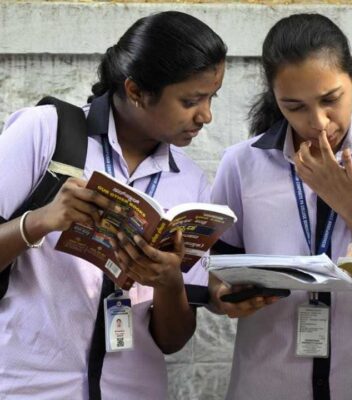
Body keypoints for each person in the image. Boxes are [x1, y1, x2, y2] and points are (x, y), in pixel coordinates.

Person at [209, 13, 352, 400]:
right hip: (267, 386)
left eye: (331, 100)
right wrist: (223, 298)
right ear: (275, 98)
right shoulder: (241, 164)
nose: (318, 122)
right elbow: (216, 276)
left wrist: (349, 205)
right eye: (294, 106)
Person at [0, 11, 226, 399]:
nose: (205, 115)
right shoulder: (45, 131)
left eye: (211, 97)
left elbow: (172, 341)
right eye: (190, 100)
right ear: (135, 91)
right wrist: (40, 221)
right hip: (29, 387)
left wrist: (169, 281)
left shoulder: (190, 181)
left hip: (134, 390)